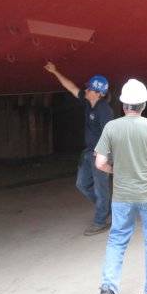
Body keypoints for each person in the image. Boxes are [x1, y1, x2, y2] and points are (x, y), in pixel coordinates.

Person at [94, 78, 147, 294]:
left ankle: (108, 289)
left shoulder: (111, 127)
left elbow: (99, 163)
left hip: (121, 196)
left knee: (117, 241)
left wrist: (115, 170)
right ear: (143, 105)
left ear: (123, 105)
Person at [44, 61, 113, 235]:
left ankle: (100, 221)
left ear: (98, 93)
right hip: (89, 152)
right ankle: (108, 209)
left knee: (100, 188)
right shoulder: (88, 101)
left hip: (101, 154)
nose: (86, 90)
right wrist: (55, 71)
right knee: (82, 184)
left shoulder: (104, 109)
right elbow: (71, 87)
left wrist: (102, 155)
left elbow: (110, 133)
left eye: (89, 89)